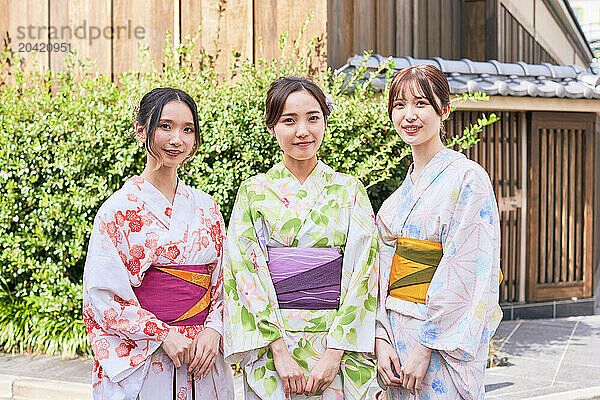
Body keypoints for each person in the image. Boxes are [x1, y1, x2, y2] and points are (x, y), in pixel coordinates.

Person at [222, 77, 378, 399]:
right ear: (271, 127)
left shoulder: (349, 190)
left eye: (313, 117)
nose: (302, 130)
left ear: (325, 120)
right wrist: (278, 349)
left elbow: (366, 272)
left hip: (337, 345)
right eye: (288, 120)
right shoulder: (254, 192)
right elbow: (242, 271)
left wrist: (335, 352)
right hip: (273, 347)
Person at [82, 87, 234, 399]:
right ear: (141, 131)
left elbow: (226, 280)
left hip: (203, 354)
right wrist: (161, 334)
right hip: (148, 355)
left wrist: (215, 329)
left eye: (187, 129)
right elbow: (103, 295)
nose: (177, 139)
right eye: (165, 126)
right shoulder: (118, 210)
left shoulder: (207, 206)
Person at [375, 65, 503, 400]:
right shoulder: (395, 200)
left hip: (437, 340)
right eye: (399, 105)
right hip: (395, 332)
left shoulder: (468, 179)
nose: (409, 115)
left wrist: (426, 345)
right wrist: (380, 337)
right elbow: (378, 272)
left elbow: (467, 269)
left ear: (444, 110)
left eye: (420, 103)